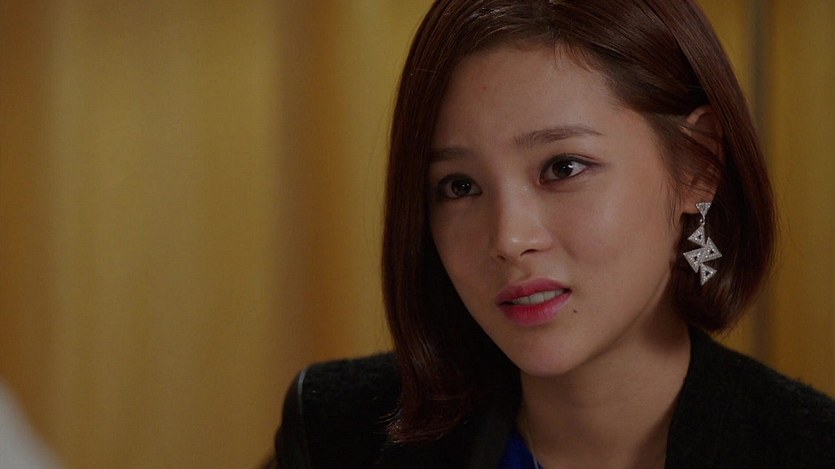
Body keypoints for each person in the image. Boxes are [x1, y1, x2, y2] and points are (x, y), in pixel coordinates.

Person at [268, 1, 835, 467]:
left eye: (563, 168)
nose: (509, 239)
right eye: (460, 186)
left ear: (697, 165)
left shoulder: (810, 450)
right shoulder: (333, 432)